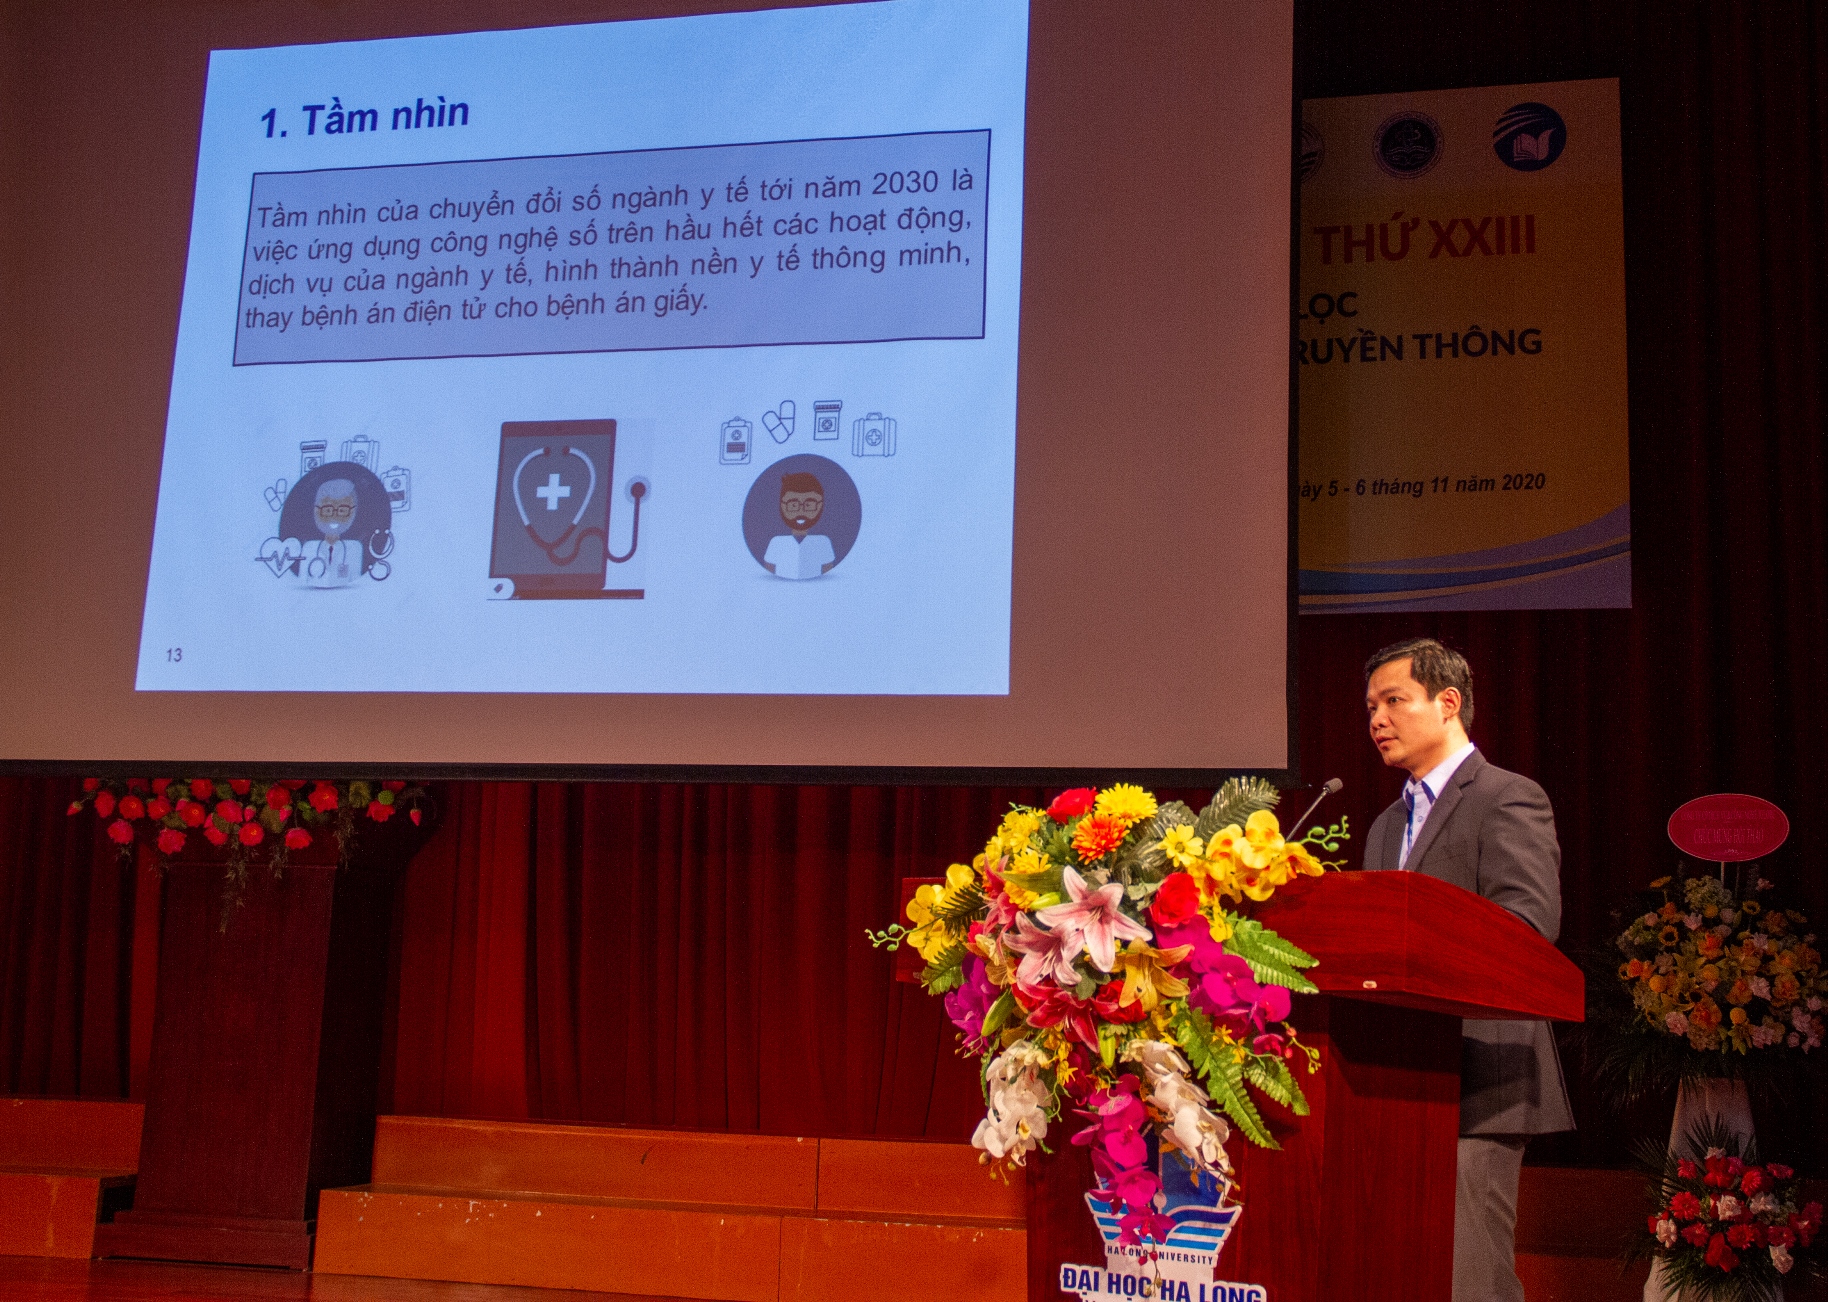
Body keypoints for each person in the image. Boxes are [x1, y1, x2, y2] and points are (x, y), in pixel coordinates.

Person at [1361, 637, 1574, 1302]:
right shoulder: (1384, 825)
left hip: (1482, 1077)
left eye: (1394, 700)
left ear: (1448, 703)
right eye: (1371, 707)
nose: (1377, 720)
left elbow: (1528, 927)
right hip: (1395, 1079)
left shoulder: (1507, 797)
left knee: (1470, 1281)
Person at [762, 471, 837, 580]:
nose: (801, 511)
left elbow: (827, 573)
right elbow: (769, 571)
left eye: (809, 505)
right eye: (793, 505)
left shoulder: (823, 542)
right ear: (782, 506)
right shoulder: (776, 543)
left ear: (820, 505)